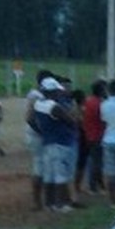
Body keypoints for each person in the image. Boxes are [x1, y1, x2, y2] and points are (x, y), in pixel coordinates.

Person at [30, 76, 81, 212]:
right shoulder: (54, 107)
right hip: (61, 141)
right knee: (60, 175)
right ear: (52, 92)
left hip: (48, 141)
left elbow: (30, 119)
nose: (59, 93)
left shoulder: (38, 104)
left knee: (49, 175)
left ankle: (49, 203)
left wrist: (41, 131)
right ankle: (60, 205)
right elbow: (71, 121)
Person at [25, 69, 55, 211]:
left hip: (37, 134)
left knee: (42, 167)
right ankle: (37, 202)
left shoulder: (36, 94)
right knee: (39, 168)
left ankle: (40, 200)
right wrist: (43, 132)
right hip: (37, 135)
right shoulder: (36, 96)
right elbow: (30, 118)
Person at [76, 79, 107, 196]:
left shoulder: (88, 101)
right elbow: (103, 121)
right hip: (97, 135)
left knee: (94, 161)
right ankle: (93, 186)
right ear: (101, 90)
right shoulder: (99, 104)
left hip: (89, 135)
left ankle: (98, 185)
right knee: (97, 162)